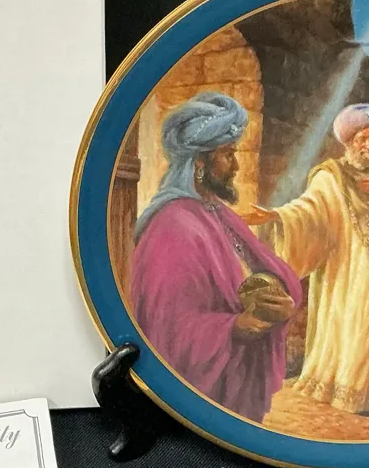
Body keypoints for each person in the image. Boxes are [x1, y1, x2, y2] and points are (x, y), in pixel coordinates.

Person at [128, 92, 301, 423]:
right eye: (228, 154)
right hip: (200, 398)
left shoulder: (218, 212)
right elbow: (168, 328)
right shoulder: (172, 225)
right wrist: (235, 327)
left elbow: (267, 269)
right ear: (199, 163)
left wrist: (281, 302)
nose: (236, 165)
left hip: (235, 376)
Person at [243, 103, 369, 414]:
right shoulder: (333, 175)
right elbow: (310, 209)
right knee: (350, 321)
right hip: (344, 267)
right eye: (362, 138)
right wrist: (276, 215)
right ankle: (341, 388)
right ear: (349, 141)